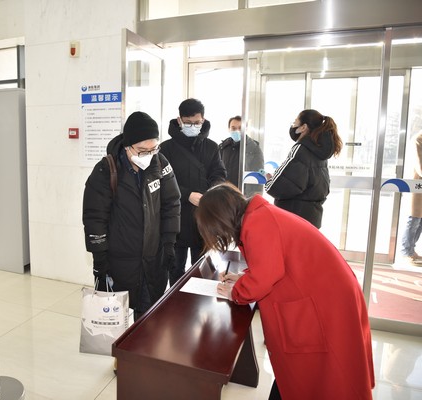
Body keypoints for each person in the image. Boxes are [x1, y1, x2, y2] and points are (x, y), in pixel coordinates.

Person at [195, 183, 375, 400]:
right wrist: (244, 278)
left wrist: (235, 293)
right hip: (326, 293)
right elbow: (275, 261)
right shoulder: (258, 215)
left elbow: (264, 278)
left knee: (328, 375)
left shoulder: (258, 223)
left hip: (326, 302)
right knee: (312, 376)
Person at [82, 111, 181, 320]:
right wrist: (100, 261)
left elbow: (171, 203)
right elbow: (95, 218)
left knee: (150, 320)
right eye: (143, 151)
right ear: (128, 146)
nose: (149, 155)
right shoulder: (106, 171)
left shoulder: (160, 163)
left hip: (153, 261)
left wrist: (169, 244)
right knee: (120, 324)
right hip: (120, 264)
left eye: (154, 148)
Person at [160, 98, 226, 286]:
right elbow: (161, 181)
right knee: (175, 270)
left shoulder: (211, 147)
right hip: (175, 218)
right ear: (179, 120)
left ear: (203, 119)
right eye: (188, 123)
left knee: (203, 271)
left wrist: (210, 194)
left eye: (196, 123)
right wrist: (187, 194)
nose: (193, 126)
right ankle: (176, 301)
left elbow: (219, 174)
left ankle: (200, 302)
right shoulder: (166, 148)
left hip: (203, 219)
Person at [264, 109, 342, 228]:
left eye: (295, 122)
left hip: (294, 217)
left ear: (303, 127)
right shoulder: (319, 151)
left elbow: (280, 187)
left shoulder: (301, 149)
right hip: (312, 216)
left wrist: (270, 181)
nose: (293, 126)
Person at [219, 115, 264, 197]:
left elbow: (258, 176)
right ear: (229, 129)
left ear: (246, 129)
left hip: (243, 195)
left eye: (240, 128)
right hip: (225, 194)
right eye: (233, 128)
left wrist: (254, 197)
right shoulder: (223, 147)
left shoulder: (253, 149)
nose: (237, 131)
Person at [399, 130, 422, 266]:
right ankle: (406, 251)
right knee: (414, 220)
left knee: (419, 221)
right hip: (416, 186)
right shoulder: (418, 140)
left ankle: (411, 250)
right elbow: (420, 167)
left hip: (419, 187)